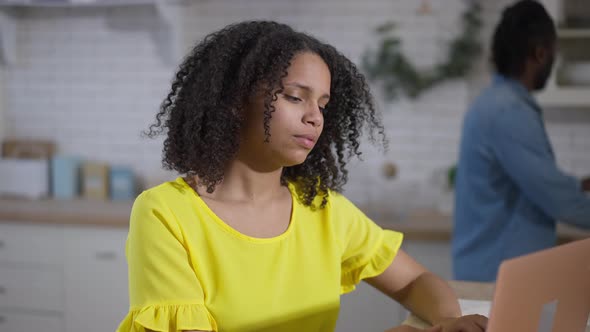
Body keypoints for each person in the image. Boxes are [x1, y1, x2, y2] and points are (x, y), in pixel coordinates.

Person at [116, 21, 487, 332]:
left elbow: (415, 281)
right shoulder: (165, 214)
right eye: (296, 97)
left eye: (323, 105)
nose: (315, 117)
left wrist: (447, 323)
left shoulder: (323, 209)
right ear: (234, 102)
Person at [453, 0, 590, 282]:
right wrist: (574, 193)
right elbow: (555, 197)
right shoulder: (508, 111)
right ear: (540, 53)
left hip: (490, 271)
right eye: (554, 52)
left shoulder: (495, 103)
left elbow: (530, 181)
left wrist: (580, 185)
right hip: (497, 277)